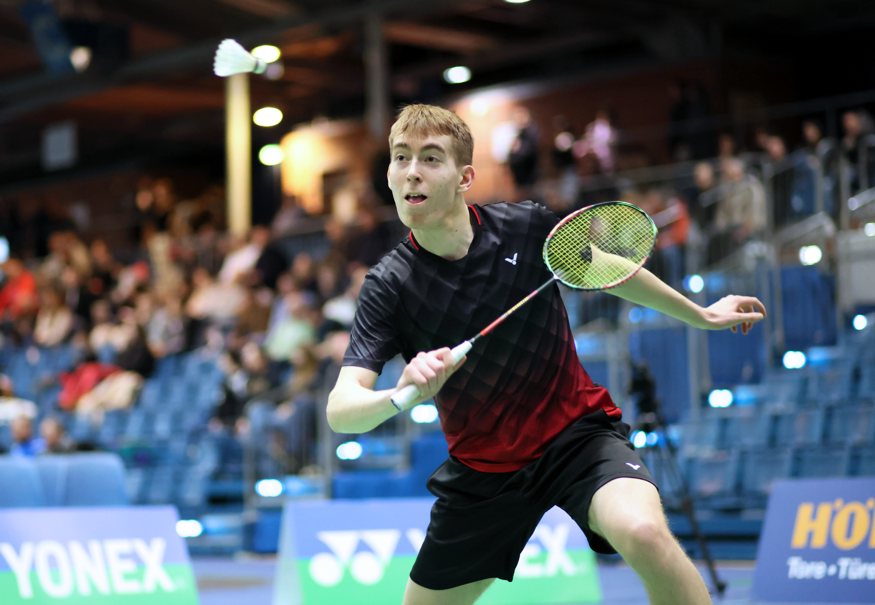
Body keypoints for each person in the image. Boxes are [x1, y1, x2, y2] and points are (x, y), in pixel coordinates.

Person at [327, 104, 766, 605]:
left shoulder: (525, 227)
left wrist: (699, 314)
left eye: (430, 159)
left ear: (465, 176)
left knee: (644, 533)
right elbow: (342, 411)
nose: (411, 171)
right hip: (484, 471)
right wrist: (403, 394)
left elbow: (610, 269)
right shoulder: (389, 285)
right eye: (400, 158)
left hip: (577, 438)